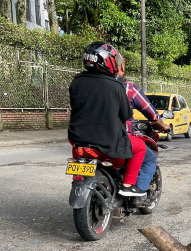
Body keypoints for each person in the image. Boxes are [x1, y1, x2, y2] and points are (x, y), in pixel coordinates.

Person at [67, 41, 145, 197]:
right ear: (107, 60)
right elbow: (125, 115)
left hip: (79, 143)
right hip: (109, 146)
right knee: (141, 147)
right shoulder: (116, 86)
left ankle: (80, 179)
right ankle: (128, 185)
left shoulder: (76, 82)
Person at [114, 55, 169, 195]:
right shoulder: (128, 88)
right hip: (118, 140)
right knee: (148, 158)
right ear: (121, 67)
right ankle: (139, 193)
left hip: (87, 139)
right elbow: (152, 114)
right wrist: (163, 126)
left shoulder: (89, 87)